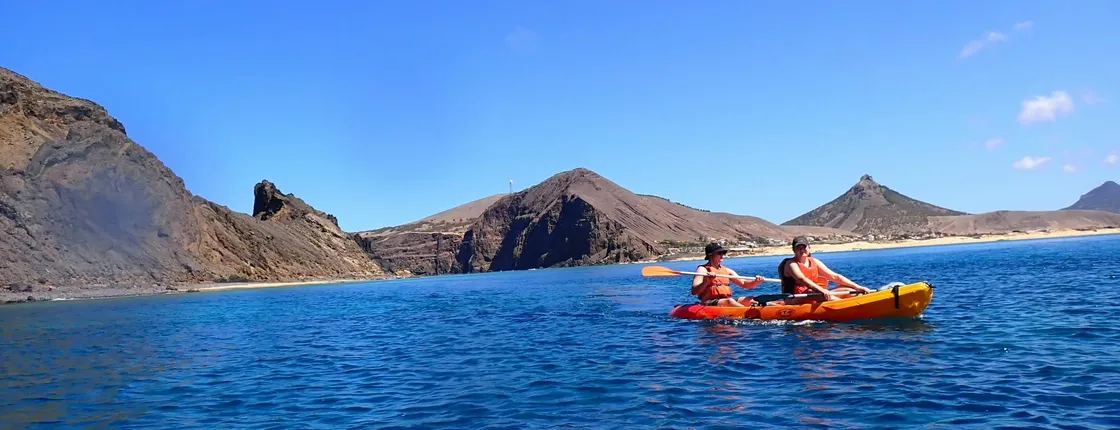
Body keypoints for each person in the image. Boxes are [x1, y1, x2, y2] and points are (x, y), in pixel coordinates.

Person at [778, 236, 873, 303]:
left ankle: (857, 300)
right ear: (794, 250)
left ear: (809, 248)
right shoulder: (791, 264)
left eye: (804, 247)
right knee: (813, 292)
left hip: (815, 293)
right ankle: (846, 305)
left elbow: (835, 277)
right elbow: (802, 280)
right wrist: (822, 290)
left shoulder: (814, 261)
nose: (802, 250)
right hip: (794, 299)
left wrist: (858, 287)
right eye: (798, 248)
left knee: (848, 289)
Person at [692, 242, 766, 307]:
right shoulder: (702, 269)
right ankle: (748, 313)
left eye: (723, 253)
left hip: (724, 300)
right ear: (710, 255)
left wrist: (756, 281)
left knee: (750, 299)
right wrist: (707, 280)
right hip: (708, 302)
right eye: (719, 253)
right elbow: (694, 291)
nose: (722, 255)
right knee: (729, 301)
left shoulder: (727, 270)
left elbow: (744, 283)